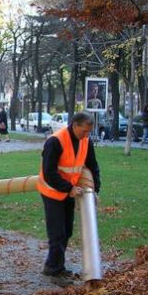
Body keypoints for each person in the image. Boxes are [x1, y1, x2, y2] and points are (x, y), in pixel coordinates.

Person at [37, 111, 101, 278]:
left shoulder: (85, 141)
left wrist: (95, 190)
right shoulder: (55, 141)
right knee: (57, 233)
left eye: (89, 132)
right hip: (51, 191)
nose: (86, 135)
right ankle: (54, 269)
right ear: (74, 125)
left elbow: (93, 166)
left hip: (68, 191)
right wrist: (69, 188)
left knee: (67, 231)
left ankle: (56, 265)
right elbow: (49, 172)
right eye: (84, 131)